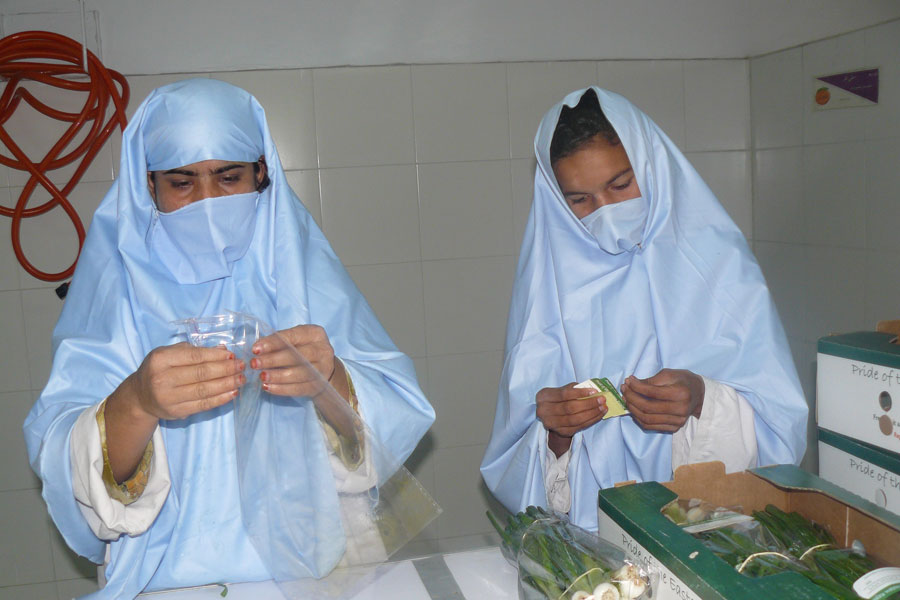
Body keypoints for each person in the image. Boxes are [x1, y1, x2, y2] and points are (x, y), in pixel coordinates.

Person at [23, 78, 435, 598]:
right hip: (165, 579)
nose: (208, 201)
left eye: (228, 177)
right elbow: (57, 445)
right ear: (148, 184)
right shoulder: (117, 282)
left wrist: (329, 378)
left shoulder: (299, 266)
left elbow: (395, 411)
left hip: (316, 570)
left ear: (261, 172)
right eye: (182, 183)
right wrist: (135, 404)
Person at [480, 87, 808, 531]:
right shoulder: (547, 284)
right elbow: (515, 454)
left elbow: (778, 423)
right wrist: (558, 432)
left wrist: (700, 400)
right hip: (594, 539)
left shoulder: (719, 262)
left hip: (707, 529)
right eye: (580, 200)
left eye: (620, 185)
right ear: (556, 202)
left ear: (653, 167)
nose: (607, 212)